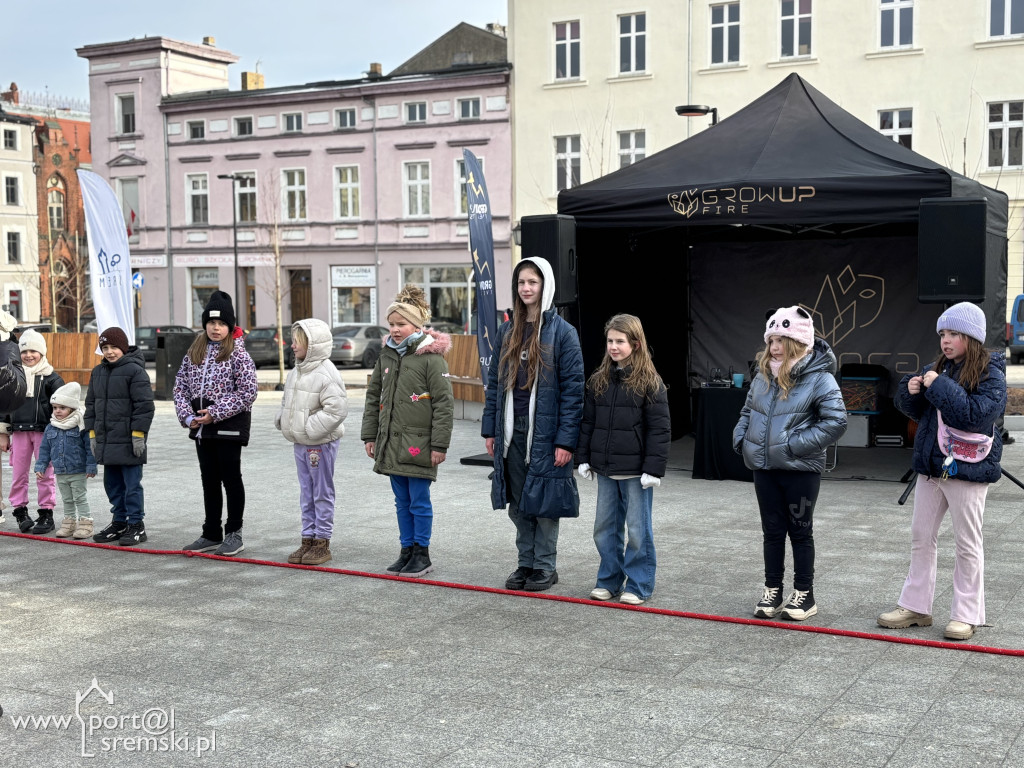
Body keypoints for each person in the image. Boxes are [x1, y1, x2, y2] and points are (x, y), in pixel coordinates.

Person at [878, 302, 1006, 641]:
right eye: (942, 334)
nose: (945, 341)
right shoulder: (938, 368)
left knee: (967, 542)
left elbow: (973, 415)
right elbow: (918, 412)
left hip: (969, 469)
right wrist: (910, 391)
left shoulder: (992, 374)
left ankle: (966, 615)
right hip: (932, 468)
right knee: (921, 538)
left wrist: (937, 386)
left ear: (971, 337)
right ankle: (916, 606)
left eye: (953, 334)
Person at [733, 306, 847, 621]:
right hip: (764, 468)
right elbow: (747, 411)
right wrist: (742, 439)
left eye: (782, 339)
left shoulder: (819, 377)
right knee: (771, 531)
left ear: (797, 341)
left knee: (799, 531)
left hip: (800, 470)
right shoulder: (763, 374)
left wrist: (793, 445)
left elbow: (836, 421)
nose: (775, 346)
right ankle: (773, 590)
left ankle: (804, 594)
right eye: (772, 340)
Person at [482, 257, 584, 592]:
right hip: (512, 430)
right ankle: (525, 563)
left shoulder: (563, 333)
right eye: (521, 283)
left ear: (546, 286)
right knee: (518, 503)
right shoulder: (507, 330)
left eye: (533, 282)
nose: (526, 288)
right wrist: (491, 430)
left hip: (546, 431)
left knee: (544, 503)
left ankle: (545, 567)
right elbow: (495, 384)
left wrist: (566, 442)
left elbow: (573, 392)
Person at [576, 314, 670, 606]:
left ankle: (639, 584)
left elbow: (660, 428)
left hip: (635, 473)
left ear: (636, 344)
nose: (613, 347)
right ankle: (609, 580)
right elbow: (588, 423)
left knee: (638, 531)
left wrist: (653, 469)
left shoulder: (650, 383)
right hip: (605, 470)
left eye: (620, 341)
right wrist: (583, 458)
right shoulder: (598, 380)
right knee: (604, 529)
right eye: (610, 341)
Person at [361, 285, 454, 578]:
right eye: (391, 324)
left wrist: (439, 445)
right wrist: (370, 435)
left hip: (418, 444)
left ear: (417, 325)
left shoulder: (431, 358)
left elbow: (443, 404)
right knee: (401, 500)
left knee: (418, 499)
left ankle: (421, 553)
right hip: (391, 441)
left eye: (401, 324)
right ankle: (406, 549)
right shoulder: (388, 355)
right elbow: (374, 395)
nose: (395, 329)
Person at [174, 291, 258, 557]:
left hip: (228, 427)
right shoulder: (194, 352)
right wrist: (188, 416)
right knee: (208, 479)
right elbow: (180, 387)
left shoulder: (238, 355)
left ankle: (234, 533)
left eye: (221, 324)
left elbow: (248, 392)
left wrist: (215, 412)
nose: (215, 328)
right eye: (211, 323)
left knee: (230, 479)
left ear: (230, 326)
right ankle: (211, 532)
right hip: (202, 429)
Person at [275, 318, 348, 566]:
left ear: (313, 344)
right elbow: (290, 401)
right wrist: (283, 419)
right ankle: (307, 537)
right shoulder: (297, 370)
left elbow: (337, 410)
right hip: (301, 442)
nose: (292, 346)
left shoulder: (326, 372)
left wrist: (309, 429)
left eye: (298, 342)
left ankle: (322, 541)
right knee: (307, 491)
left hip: (319, 443)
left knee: (321, 491)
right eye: (293, 341)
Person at [85, 327, 155, 546]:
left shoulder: (135, 371)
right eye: (105, 348)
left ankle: (136, 524)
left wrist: (138, 434)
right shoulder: (98, 372)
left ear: (123, 347)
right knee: (113, 484)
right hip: (107, 440)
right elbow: (91, 405)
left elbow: (144, 406)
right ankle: (119, 521)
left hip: (129, 440)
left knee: (132, 485)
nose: (110, 352)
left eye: (114, 347)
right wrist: (93, 433)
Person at [1, 330, 64, 534]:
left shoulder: (51, 378)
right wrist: (3, 432)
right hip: (19, 433)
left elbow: (64, 405)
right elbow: (5, 406)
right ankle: (20, 511)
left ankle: (46, 512)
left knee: (45, 474)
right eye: (24, 351)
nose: (28, 355)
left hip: (44, 433)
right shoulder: (13, 377)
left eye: (33, 351)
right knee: (19, 474)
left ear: (42, 353)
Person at [34, 381, 97, 538]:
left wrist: (91, 465)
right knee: (67, 499)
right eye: (55, 408)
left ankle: (86, 523)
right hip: (60, 470)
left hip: (78, 470)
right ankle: (69, 523)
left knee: (80, 497)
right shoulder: (51, 427)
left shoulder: (80, 425)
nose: (58, 411)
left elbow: (90, 447)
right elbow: (45, 448)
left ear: (72, 408)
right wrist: (41, 465)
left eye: (62, 408)